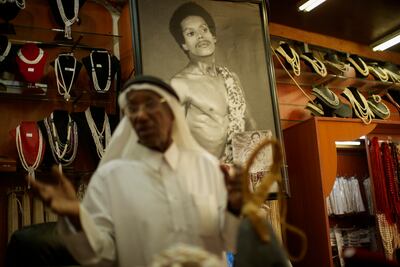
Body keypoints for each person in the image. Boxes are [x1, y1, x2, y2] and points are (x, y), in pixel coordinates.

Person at [28, 75, 242, 267]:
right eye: (132, 108)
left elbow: (228, 243)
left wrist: (234, 208)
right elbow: (102, 257)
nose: (140, 115)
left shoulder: (207, 167)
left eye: (150, 104)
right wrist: (76, 217)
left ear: (173, 112)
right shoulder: (111, 178)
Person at [169, 1, 255, 163]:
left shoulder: (231, 78)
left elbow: (249, 123)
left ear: (213, 37)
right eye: (191, 33)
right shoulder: (180, 84)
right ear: (184, 45)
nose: (201, 36)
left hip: (237, 176)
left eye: (204, 29)